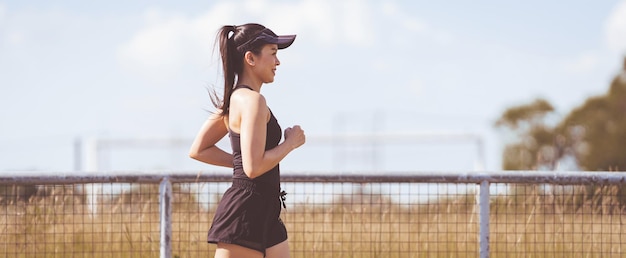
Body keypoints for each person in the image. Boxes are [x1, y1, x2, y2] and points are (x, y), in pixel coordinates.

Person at [189, 23, 305, 258]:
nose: (278, 62)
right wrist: (290, 144)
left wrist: (242, 163)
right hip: (246, 213)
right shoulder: (253, 101)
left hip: (267, 209)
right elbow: (253, 168)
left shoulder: (235, 100)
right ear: (250, 58)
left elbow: (200, 150)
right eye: (273, 53)